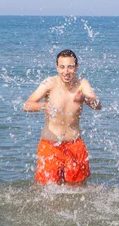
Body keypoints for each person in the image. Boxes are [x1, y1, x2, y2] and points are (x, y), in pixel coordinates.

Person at [23, 49, 102, 184]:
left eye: (70, 67)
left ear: (76, 67)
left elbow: (98, 106)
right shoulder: (50, 83)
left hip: (75, 145)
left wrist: (87, 98)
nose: (66, 72)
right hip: (50, 146)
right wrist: (44, 106)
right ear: (57, 67)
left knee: (77, 190)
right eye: (62, 67)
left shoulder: (82, 84)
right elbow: (27, 105)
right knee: (46, 190)